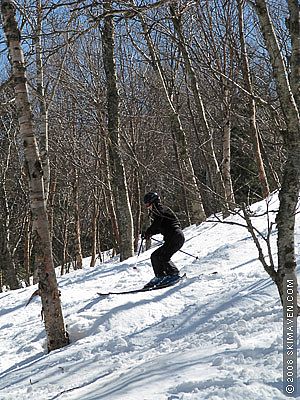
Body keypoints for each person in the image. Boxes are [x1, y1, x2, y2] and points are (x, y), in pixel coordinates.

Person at [142, 192, 185, 288]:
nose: (147, 206)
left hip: (175, 236)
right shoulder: (159, 211)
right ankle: (160, 276)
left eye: (147, 204)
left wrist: (149, 231)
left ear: (153, 202)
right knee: (155, 256)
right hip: (173, 237)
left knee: (163, 256)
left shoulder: (160, 209)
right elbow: (159, 227)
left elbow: (157, 223)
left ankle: (174, 274)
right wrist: (148, 233)